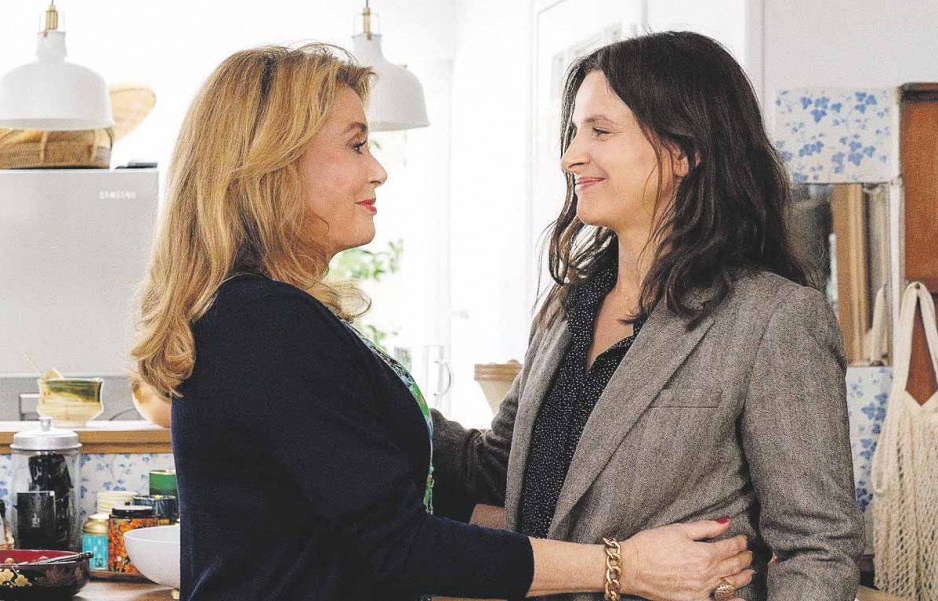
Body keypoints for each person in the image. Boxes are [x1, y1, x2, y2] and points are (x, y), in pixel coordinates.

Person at [131, 44, 754, 601]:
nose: (378, 169)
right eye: (356, 145)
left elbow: (423, 491)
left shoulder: (263, 317)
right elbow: (399, 544)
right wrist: (624, 566)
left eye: (601, 131)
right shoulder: (266, 325)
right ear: (274, 164)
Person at [431, 31, 865, 601]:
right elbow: (496, 471)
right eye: (574, 132)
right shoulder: (566, 310)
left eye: (601, 131)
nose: (570, 157)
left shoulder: (772, 319)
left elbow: (819, 548)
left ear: (685, 151)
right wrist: (368, 385)